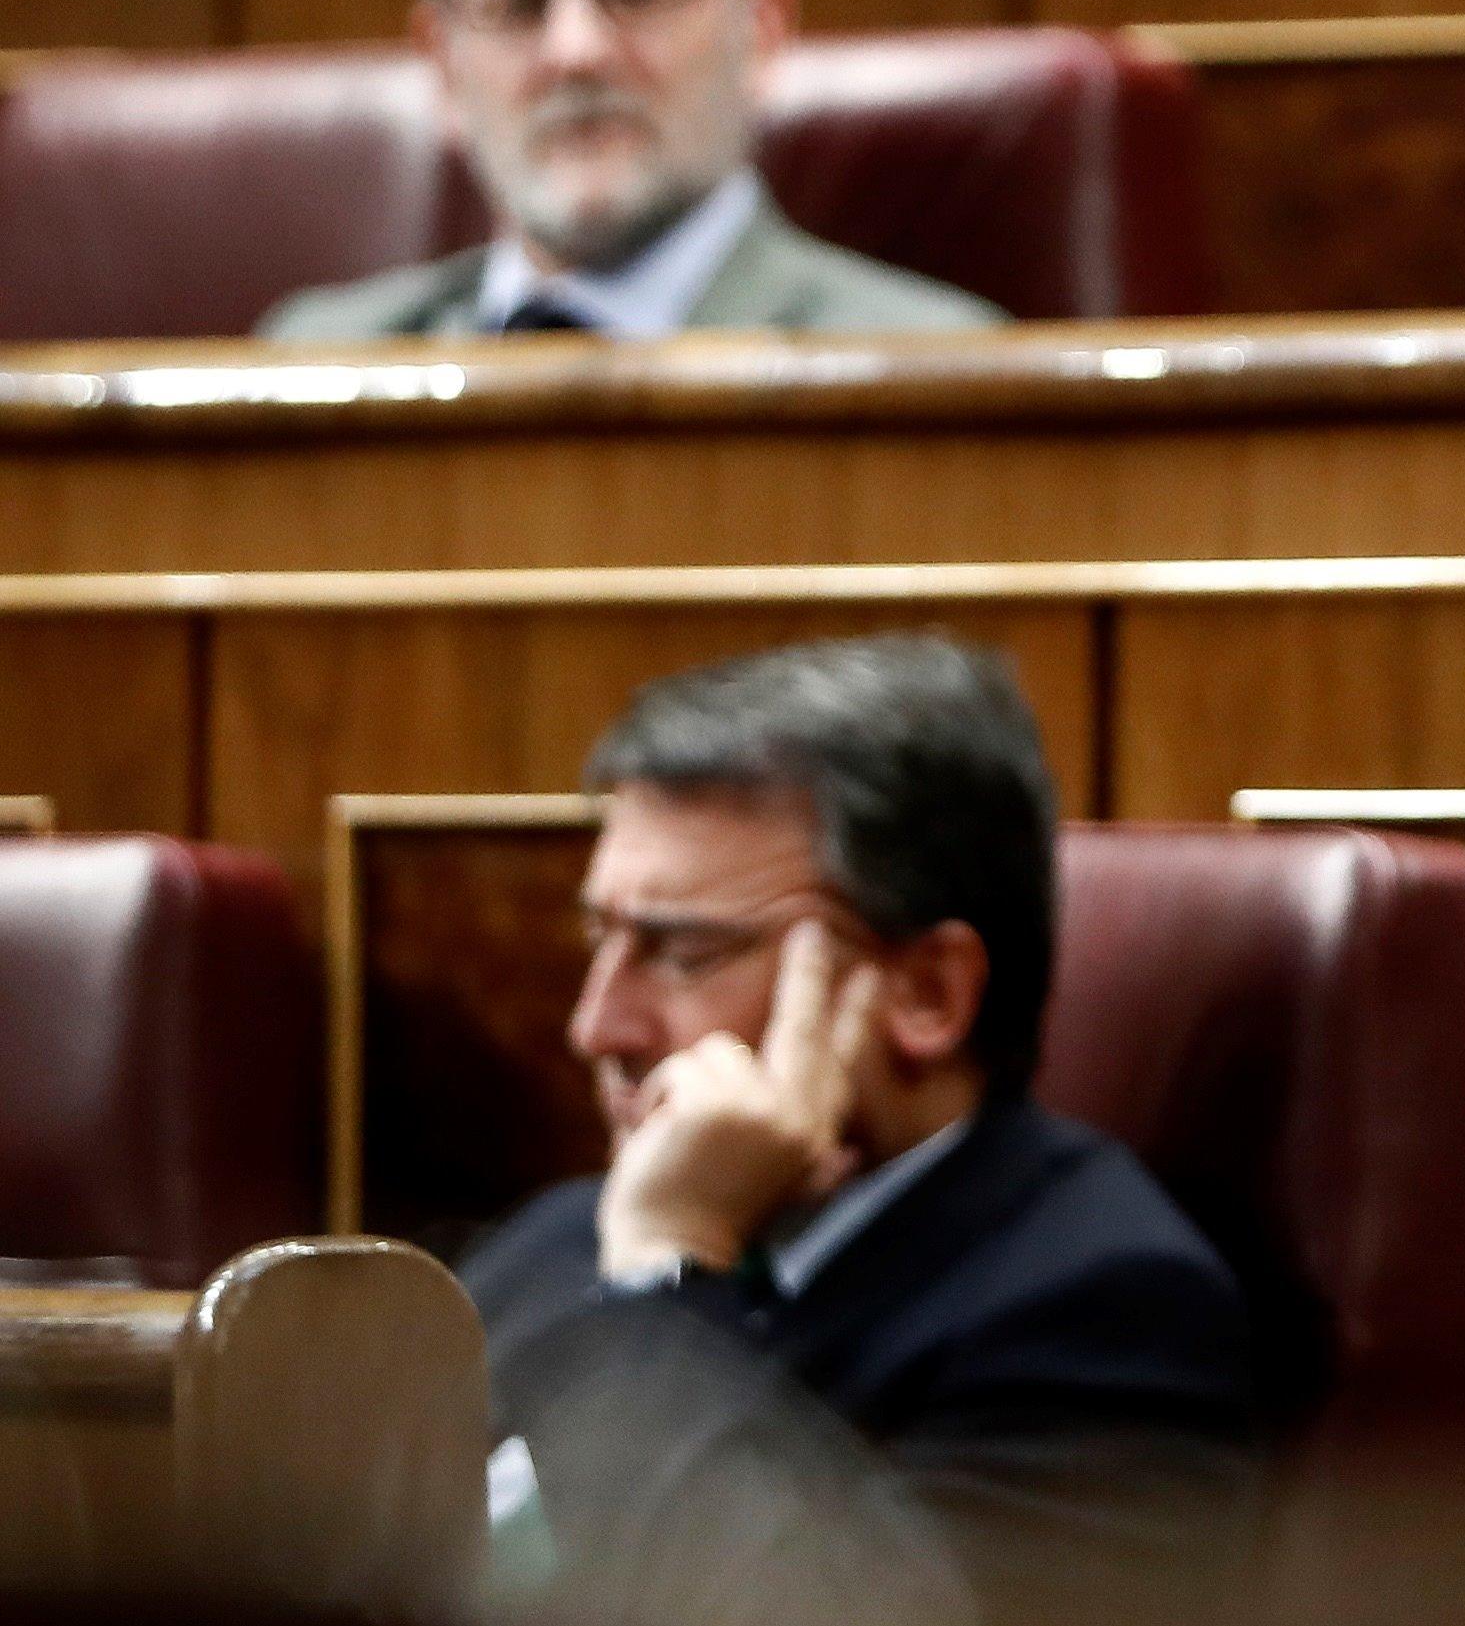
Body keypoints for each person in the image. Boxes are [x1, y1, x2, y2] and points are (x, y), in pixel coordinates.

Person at [454, 634, 1252, 1626]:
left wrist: (666, 1270)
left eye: (684, 950)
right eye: (600, 939)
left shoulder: (1107, 1316)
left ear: (924, 993)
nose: (595, 1025)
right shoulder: (559, 1239)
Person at [260, 0, 1003, 340]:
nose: (576, 51)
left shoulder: (931, 369)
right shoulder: (311, 363)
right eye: (518, 1)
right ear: (445, 69)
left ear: (762, 33)